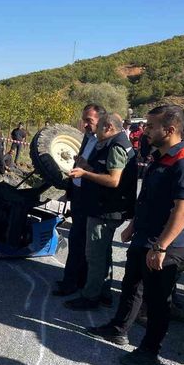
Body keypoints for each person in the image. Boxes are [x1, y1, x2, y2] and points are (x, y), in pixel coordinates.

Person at [86, 105, 184, 365]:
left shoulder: (182, 161)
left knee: (157, 299)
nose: (145, 131)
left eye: (152, 127)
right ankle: (118, 329)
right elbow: (148, 197)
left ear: (171, 129)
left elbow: (182, 210)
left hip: (168, 243)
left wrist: (162, 246)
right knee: (131, 285)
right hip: (145, 236)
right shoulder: (159, 156)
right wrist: (133, 226)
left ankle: (150, 349)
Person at [64, 113, 138, 310]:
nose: (94, 131)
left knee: (95, 255)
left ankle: (90, 296)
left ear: (108, 128)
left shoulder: (115, 146)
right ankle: (103, 292)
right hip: (106, 208)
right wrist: (87, 165)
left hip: (104, 209)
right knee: (103, 252)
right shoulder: (118, 142)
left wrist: (84, 173)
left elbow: (113, 180)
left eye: (98, 127)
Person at [52, 104, 105, 296]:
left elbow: (105, 174)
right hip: (78, 196)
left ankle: (72, 283)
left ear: (101, 120)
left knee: (79, 241)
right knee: (77, 240)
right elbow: (79, 164)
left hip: (90, 200)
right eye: (84, 120)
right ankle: (75, 280)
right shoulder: (88, 137)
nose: (85, 125)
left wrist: (86, 167)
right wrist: (70, 190)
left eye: (89, 121)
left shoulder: (106, 142)